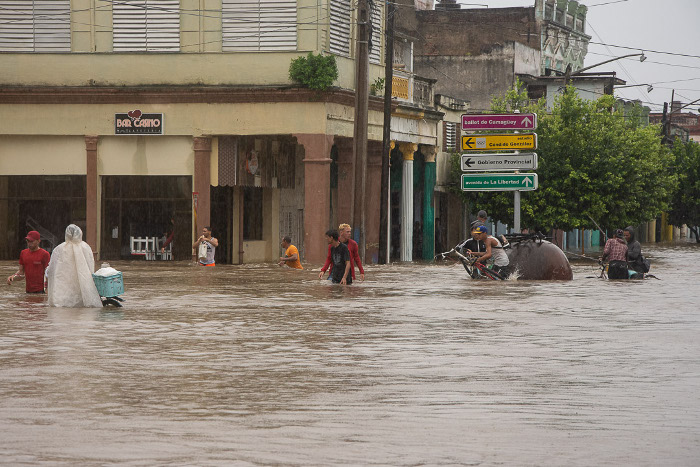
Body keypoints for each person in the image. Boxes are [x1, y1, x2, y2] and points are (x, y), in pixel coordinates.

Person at [45, 224, 103, 307]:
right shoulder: (85, 247)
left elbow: (52, 268)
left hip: (63, 282)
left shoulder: (60, 248)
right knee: (79, 300)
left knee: (63, 303)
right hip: (81, 280)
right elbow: (90, 265)